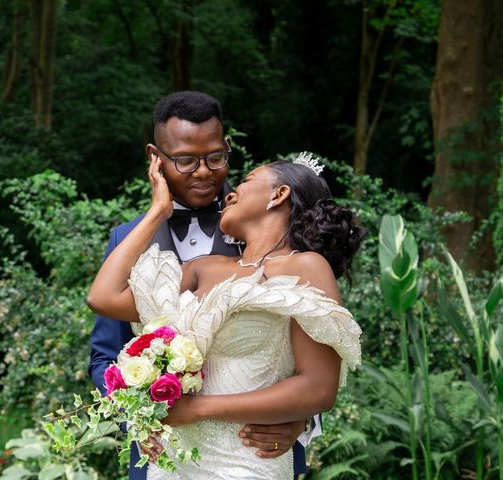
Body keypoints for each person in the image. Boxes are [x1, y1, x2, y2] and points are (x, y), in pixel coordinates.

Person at [86, 147, 364, 479]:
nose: (230, 193)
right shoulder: (202, 269)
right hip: (172, 463)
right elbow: (103, 296)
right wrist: (158, 210)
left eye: (247, 181)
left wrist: (198, 410)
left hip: (244, 462)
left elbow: (319, 387)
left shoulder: (306, 267)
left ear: (279, 195)